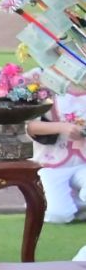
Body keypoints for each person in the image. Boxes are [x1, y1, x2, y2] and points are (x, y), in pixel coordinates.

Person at [27, 82, 86, 222]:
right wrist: (62, 127)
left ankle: (75, 200)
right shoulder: (46, 88)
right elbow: (29, 126)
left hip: (83, 164)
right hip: (51, 164)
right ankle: (52, 199)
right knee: (58, 215)